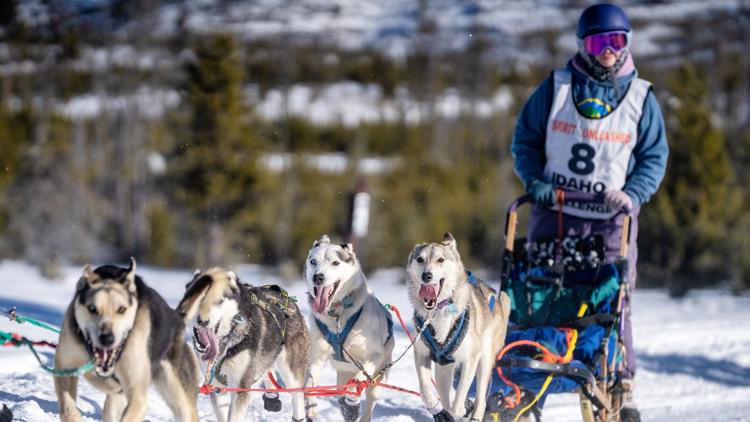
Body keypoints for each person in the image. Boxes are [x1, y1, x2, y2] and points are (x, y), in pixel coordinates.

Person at [510, 3, 668, 422]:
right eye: (599, 43)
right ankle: (526, 376)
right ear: (584, 45)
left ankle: (615, 381)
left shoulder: (640, 97)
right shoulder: (557, 86)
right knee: (542, 294)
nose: (608, 52)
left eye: (616, 42)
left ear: (627, 43)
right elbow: (524, 140)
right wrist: (536, 184)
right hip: (555, 212)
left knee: (613, 300)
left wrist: (633, 193)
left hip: (611, 219)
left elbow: (653, 157)